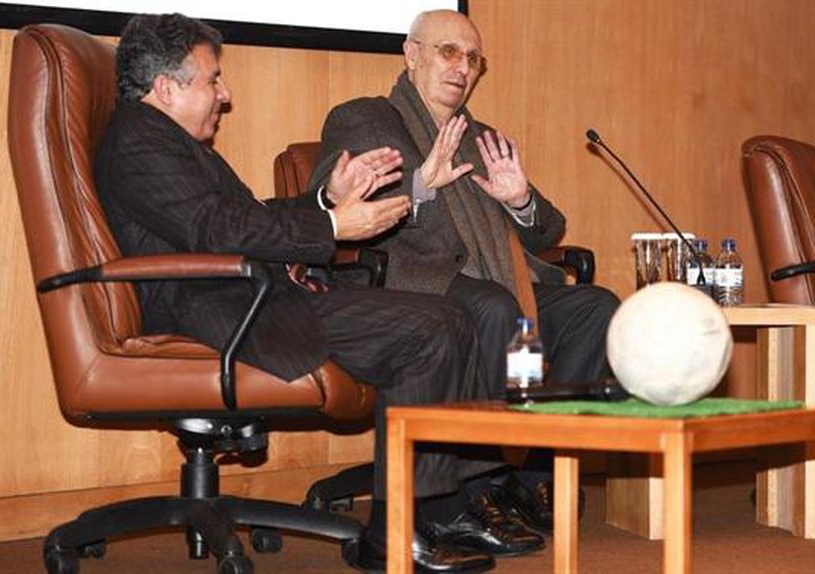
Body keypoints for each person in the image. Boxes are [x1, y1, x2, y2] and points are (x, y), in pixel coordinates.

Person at [95, 13, 542, 573]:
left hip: (256, 296)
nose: (224, 94)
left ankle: (430, 515)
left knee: (443, 318)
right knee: (434, 326)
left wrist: (327, 198)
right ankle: (405, 530)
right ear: (166, 87)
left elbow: (247, 216)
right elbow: (215, 229)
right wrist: (332, 227)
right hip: (222, 309)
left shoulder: (171, 141)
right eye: (213, 80)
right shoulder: (139, 140)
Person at [309, 9, 619, 534]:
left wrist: (520, 200)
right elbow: (333, 203)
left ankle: (535, 473)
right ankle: (480, 488)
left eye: (473, 59)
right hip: (413, 284)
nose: (462, 68)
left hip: (499, 282)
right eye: (448, 52)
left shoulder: (483, 137)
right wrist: (421, 186)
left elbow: (548, 231)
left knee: (596, 308)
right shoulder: (364, 118)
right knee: (496, 308)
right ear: (412, 55)